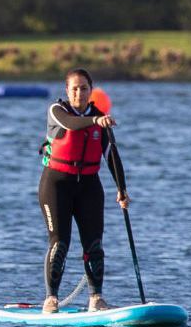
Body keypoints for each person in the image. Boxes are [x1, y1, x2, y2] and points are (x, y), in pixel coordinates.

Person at [36, 68, 128, 313]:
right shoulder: (57, 111)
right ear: (67, 91)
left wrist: (122, 189)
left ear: (91, 90)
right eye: (74, 88)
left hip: (89, 186)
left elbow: (111, 156)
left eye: (84, 88)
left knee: (94, 245)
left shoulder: (100, 119)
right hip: (56, 185)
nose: (79, 93)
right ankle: (51, 299)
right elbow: (71, 124)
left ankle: (96, 298)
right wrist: (97, 120)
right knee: (60, 243)